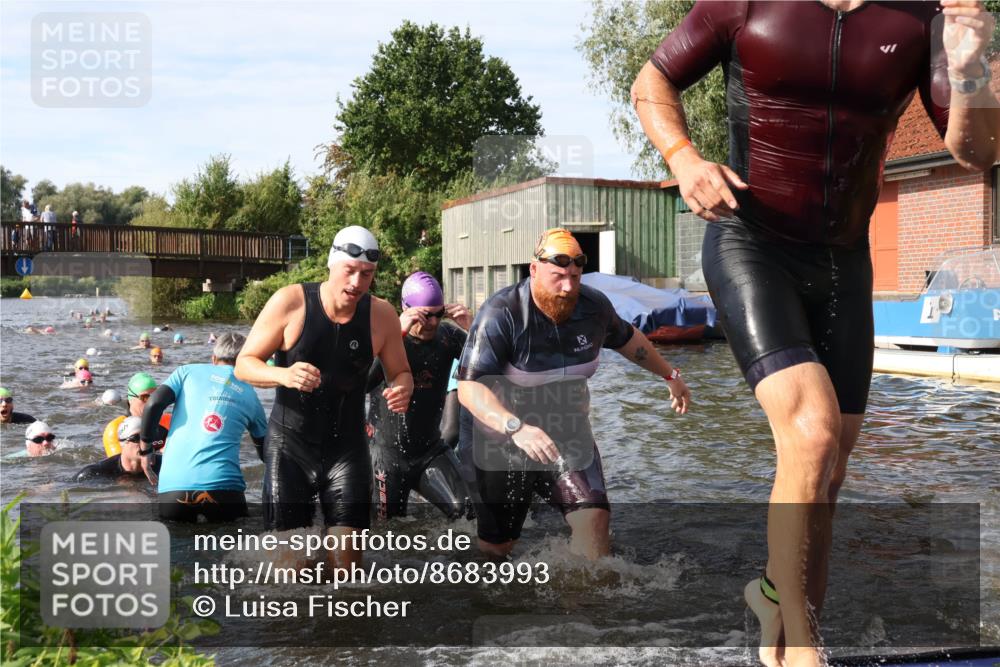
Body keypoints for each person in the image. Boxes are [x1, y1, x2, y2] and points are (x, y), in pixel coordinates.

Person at [631, 2, 1000, 665]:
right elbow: (652, 80)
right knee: (812, 431)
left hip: (844, 263)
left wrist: (972, 69)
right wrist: (684, 157)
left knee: (827, 470)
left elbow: (978, 153)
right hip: (752, 242)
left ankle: (773, 597)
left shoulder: (921, 21)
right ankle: (802, 649)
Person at [457, 228, 691, 561]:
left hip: (567, 432)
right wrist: (515, 427)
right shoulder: (502, 313)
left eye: (575, 277)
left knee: (593, 519)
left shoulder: (593, 307)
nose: (568, 288)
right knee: (498, 548)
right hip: (500, 439)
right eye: (558, 277)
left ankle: (585, 607)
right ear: (534, 269)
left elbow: (629, 340)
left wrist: (670, 374)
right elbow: (469, 387)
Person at [235, 225, 413, 569]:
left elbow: (401, 372)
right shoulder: (290, 301)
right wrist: (282, 375)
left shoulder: (382, 315)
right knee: (289, 573)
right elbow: (244, 364)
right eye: (350, 271)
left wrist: (404, 387)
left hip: (346, 450)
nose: (357, 283)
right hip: (290, 448)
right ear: (332, 264)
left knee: (348, 574)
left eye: (367, 275)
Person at [367, 272, 474, 521]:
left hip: (429, 451)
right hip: (385, 456)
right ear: (406, 309)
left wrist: (473, 329)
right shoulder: (383, 335)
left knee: (469, 512)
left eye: (439, 314)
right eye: (426, 315)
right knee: (387, 532)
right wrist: (396, 335)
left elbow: (490, 368)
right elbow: (359, 384)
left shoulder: (448, 337)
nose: (433, 322)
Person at [139, 333, 268, 520]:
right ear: (244, 361)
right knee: (233, 545)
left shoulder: (186, 372)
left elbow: (153, 404)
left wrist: (146, 450)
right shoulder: (251, 395)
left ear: (213, 358)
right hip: (224, 491)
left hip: (174, 491)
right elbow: (266, 453)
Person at [74, 416, 162, 482]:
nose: (146, 443)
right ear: (123, 442)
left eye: (151, 437)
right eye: (137, 438)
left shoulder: (165, 465)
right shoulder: (95, 473)